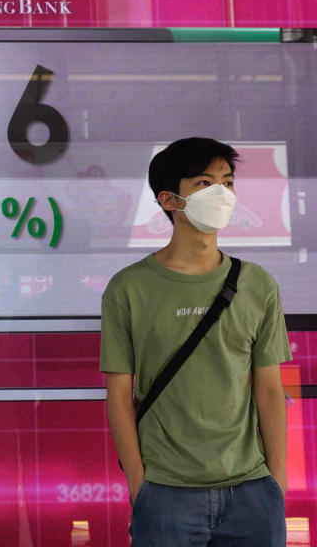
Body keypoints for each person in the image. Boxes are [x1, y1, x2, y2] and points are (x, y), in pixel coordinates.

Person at [100, 137, 291, 546]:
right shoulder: (129, 288)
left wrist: (277, 482)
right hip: (165, 493)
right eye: (205, 183)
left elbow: (270, 389)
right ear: (169, 200)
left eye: (227, 181)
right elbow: (119, 394)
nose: (221, 193)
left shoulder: (258, 285)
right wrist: (139, 484)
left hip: (253, 492)